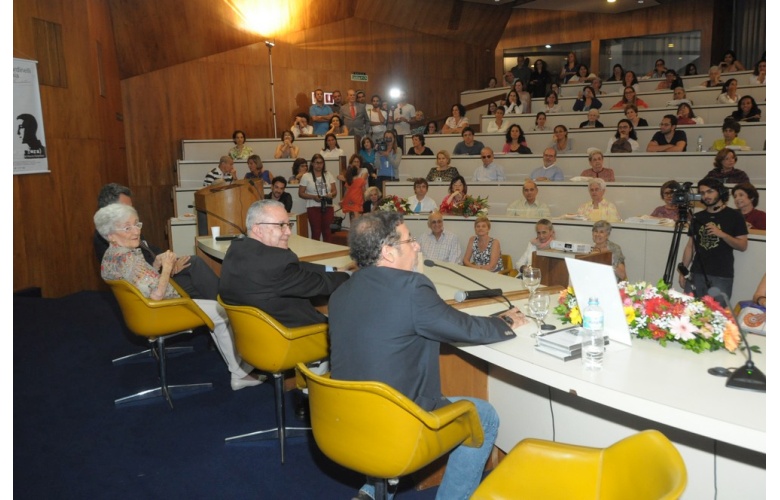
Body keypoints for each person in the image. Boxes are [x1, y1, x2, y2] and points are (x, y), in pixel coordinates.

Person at [328, 211, 524, 500]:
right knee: (483, 415)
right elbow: (463, 327)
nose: (418, 246)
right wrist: (505, 322)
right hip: (399, 423)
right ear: (388, 252)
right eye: (410, 240)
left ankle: (374, 487)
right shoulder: (412, 288)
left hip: (348, 421)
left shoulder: (340, 294)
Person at [95, 203, 263, 391]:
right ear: (110, 235)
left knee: (198, 278)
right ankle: (241, 373)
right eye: (127, 228)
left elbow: (139, 281)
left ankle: (239, 342)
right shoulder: (129, 258)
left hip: (145, 310)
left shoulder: (111, 256)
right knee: (221, 312)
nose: (136, 231)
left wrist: (156, 265)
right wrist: (167, 267)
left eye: (136, 224)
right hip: (161, 310)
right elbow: (156, 296)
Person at [219, 199, 351, 330]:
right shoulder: (277, 262)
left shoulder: (236, 249)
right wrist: (349, 275)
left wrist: (334, 269)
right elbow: (320, 284)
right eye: (281, 225)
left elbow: (298, 268)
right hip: (294, 337)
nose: (288, 232)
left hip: (253, 336)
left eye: (289, 225)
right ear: (258, 230)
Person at [93, 183, 219, 301]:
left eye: (131, 207)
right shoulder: (108, 237)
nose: (130, 211)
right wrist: (167, 268)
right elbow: (136, 273)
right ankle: (224, 307)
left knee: (194, 263)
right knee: (197, 281)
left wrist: (166, 260)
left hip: (155, 271)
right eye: (125, 207)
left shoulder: (129, 228)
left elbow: (150, 249)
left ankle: (219, 306)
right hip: (152, 286)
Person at [678, 177, 748, 302]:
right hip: (696, 273)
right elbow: (690, 246)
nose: (706, 196)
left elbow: (742, 246)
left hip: (721, 275)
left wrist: (722, 234)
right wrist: (683, 271)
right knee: (688, 312)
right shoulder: (698, 217)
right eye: (703, 193)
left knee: (717, 316)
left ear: (720, 192)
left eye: (710, 191)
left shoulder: (735, 216)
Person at [299, 153, 337, 242]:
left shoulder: (328, 174)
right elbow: (301, 193)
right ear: (312, 163)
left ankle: (328, 252)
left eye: (321, 163)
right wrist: (313, 197)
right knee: (316, 232)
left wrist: (330, 194)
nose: (319, 165)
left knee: (327, 231)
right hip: (313, 207)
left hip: (327, 206)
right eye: (316, 162)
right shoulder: (306, 176)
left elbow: (335, 191)